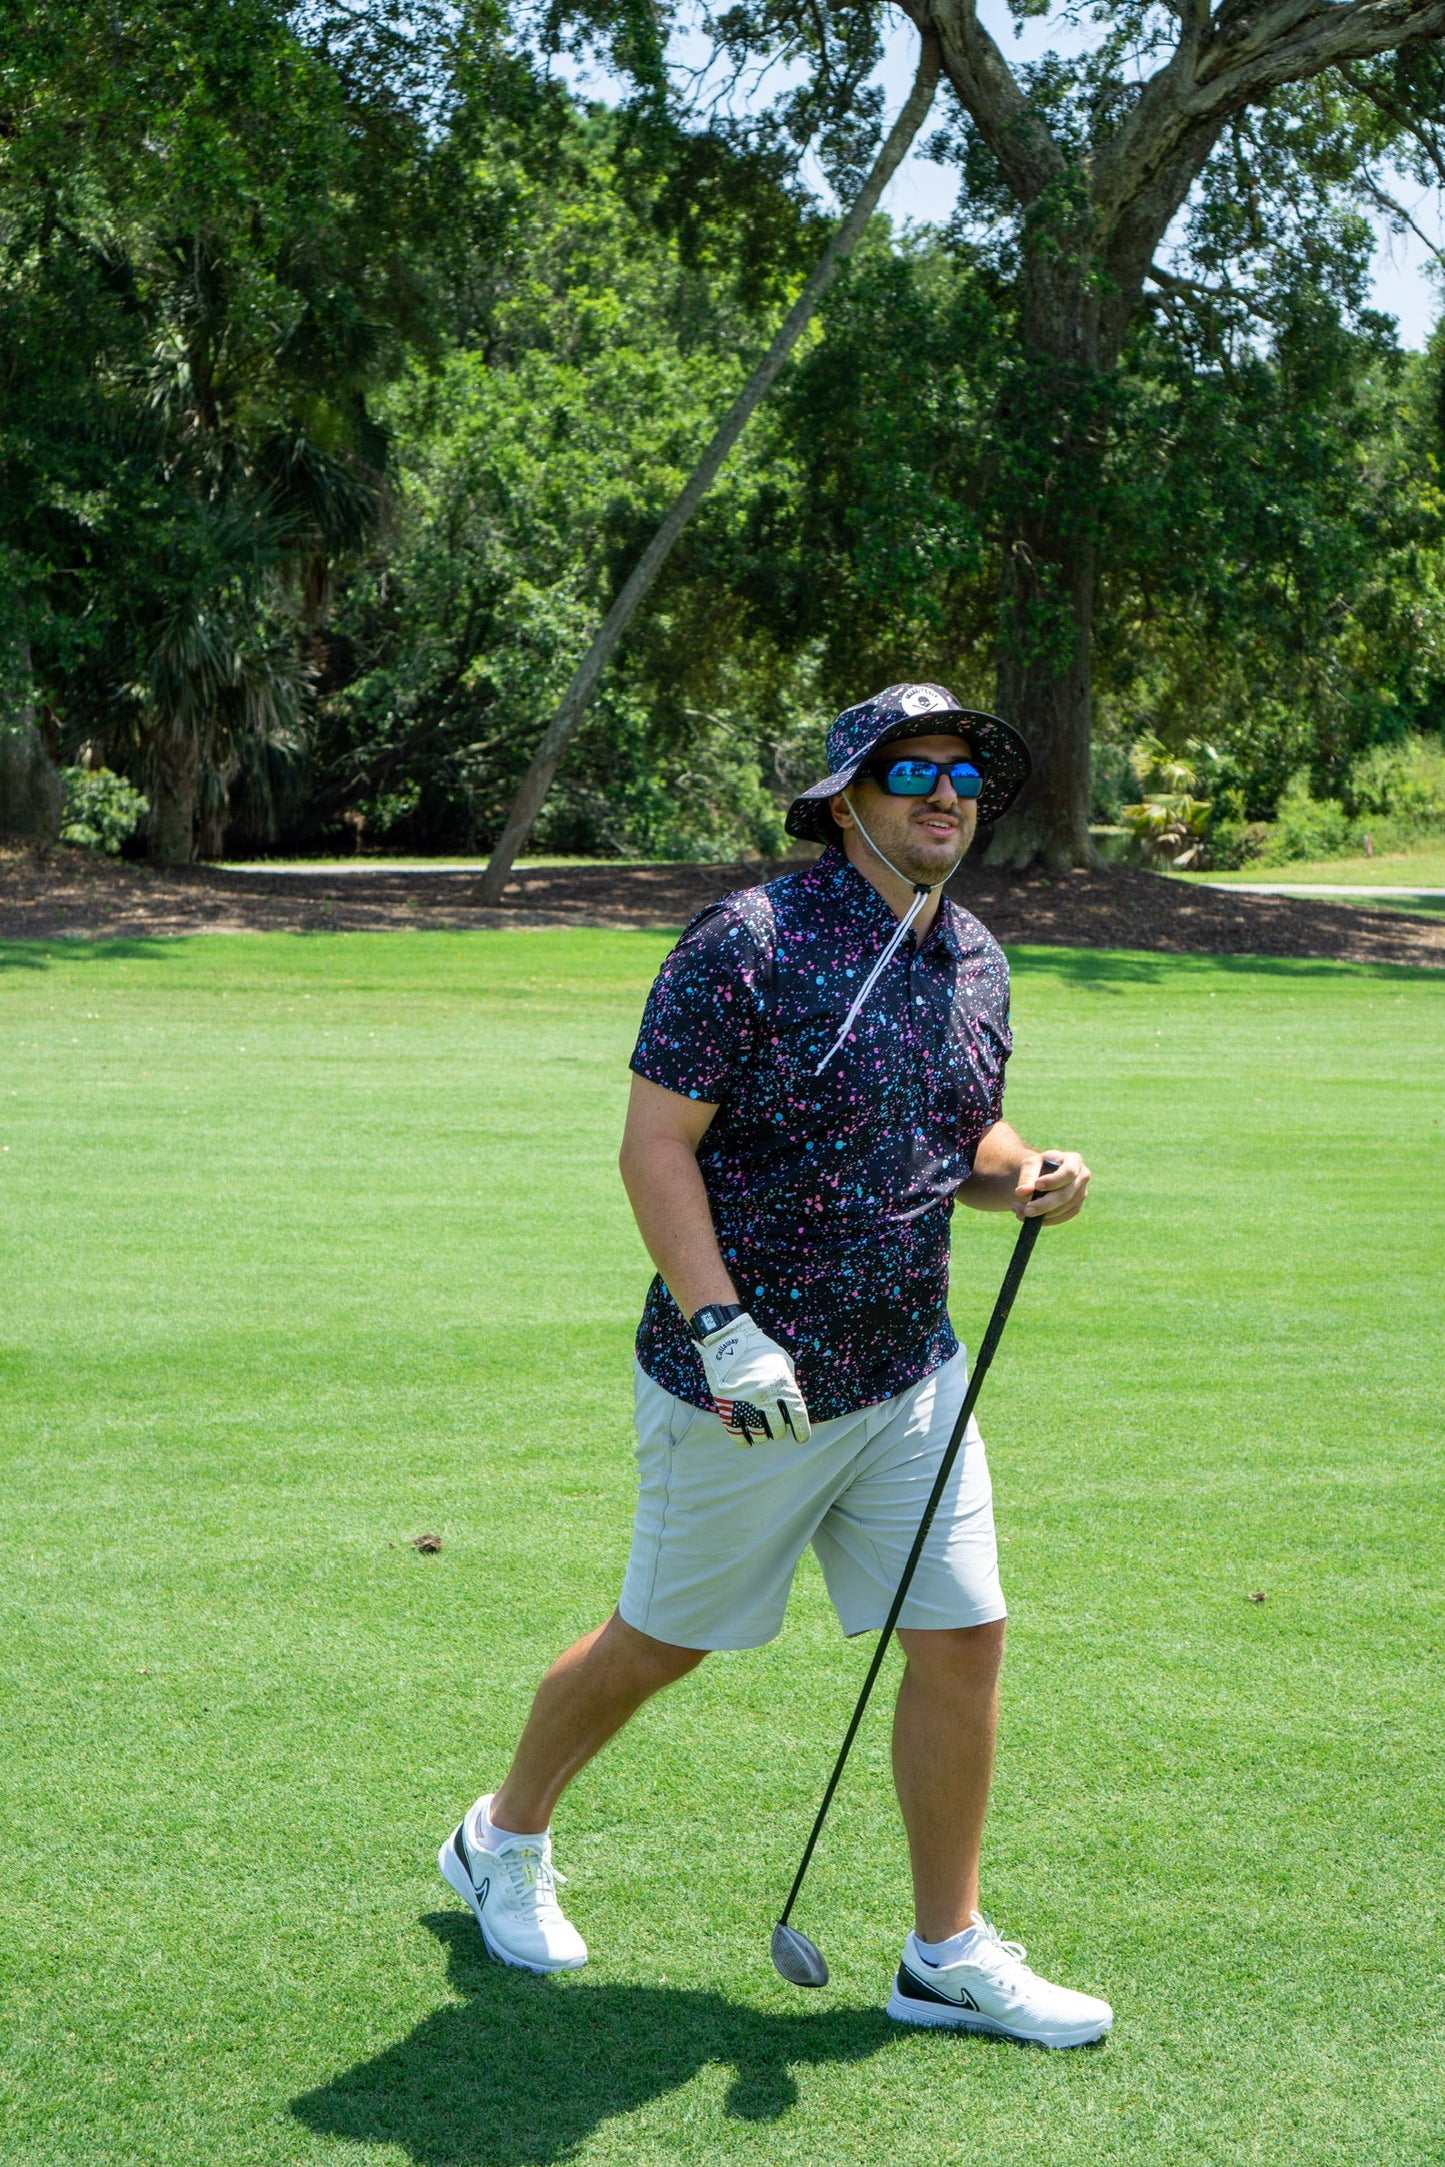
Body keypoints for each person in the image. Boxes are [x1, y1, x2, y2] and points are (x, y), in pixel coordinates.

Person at [440, 681, 1113, 2049]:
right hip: (742, 1386)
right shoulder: (744, 943)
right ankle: (500, 1839)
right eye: (911, 772)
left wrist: (1024, 1173)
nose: (944, 797)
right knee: (662, 1643)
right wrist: (720, 1324)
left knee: (963, 1636)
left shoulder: (970, 955)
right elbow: (655, 1145)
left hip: (908, 1374)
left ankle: (943, 1952)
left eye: (965, 779)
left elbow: (955, 1138)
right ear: (847, 798)